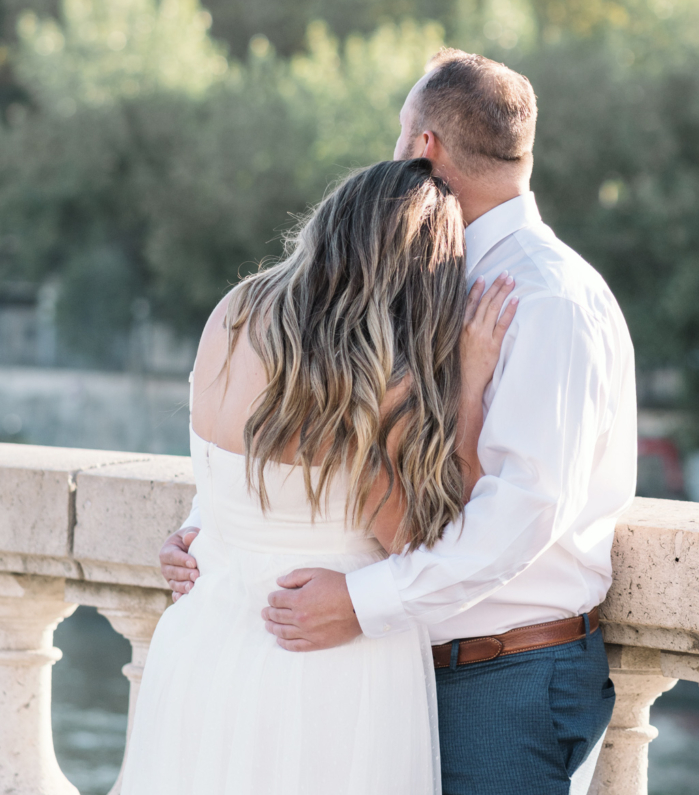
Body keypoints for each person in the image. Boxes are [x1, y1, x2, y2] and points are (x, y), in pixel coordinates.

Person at [161, 49, 638, 795]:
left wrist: (361, 602)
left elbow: (522, 511)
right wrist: (214, 528)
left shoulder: (547, 301)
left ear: (425, 148)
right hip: (382, 655)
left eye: (397, 131)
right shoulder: (400, 278)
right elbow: (308, 429)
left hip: (494, 674)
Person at [128, 156, 517, 795]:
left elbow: (222, 467)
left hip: (201, 644)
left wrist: (199, 526)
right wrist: (469, 388)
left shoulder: (234, 312)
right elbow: (420, 540)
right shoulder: (372, 383)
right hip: (317, 667)